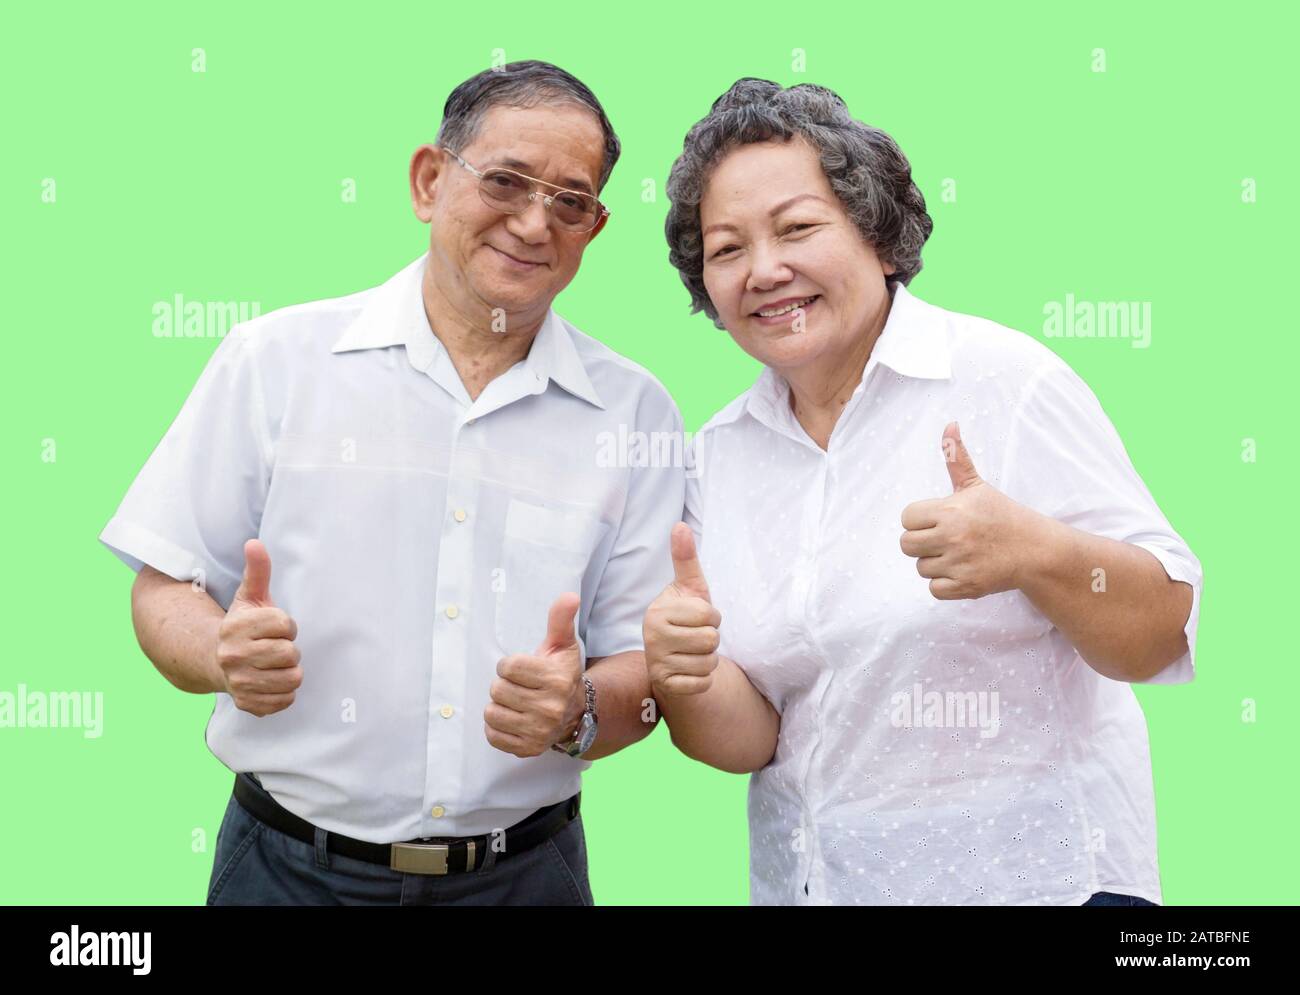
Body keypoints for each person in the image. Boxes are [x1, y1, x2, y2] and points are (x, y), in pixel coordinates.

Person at [100, 60, 685, 905]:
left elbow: (647, 674)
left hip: (525, 877)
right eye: (507, 181)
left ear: (593, 229)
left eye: (570, 201)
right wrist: (220, 654)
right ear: (429, 180)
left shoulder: (636, 411)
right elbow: (163, 587)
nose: (533, 221)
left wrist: (578, 707)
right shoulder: (276, 362)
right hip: (286, 870)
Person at [644, 78, 1201, 905]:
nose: (764, 269)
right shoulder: (718, 454)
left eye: (797, 228)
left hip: (1036, 884)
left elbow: (1159, 634)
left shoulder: (1003, 383)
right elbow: (758, 736)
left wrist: (1031, 550)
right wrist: (684, 675)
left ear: (878, 236)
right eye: (726, 249)